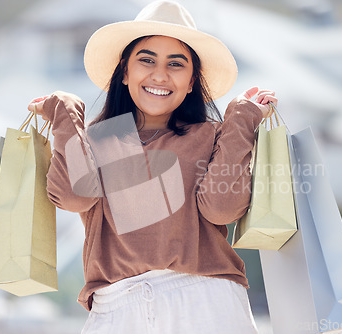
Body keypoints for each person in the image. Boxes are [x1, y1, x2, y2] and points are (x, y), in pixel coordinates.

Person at [28, 1, 277, 333]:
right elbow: (73, 198)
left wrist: (241, 118)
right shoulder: (97, 140)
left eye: (176, 64)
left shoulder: (211, 136)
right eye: (146, 60)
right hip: (115, 307)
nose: (160, 75)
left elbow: (222, 209)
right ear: (125, 71)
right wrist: (65, 111)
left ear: (191, 81)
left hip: (204, 302)